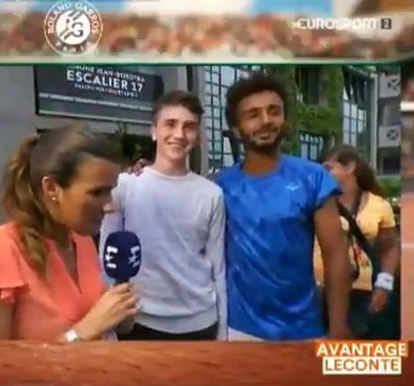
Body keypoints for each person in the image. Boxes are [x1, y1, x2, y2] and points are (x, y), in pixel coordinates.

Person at [0, 126, 139, 341]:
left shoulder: (81, 241)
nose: (109, 206)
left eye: (111, 191)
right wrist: (81, 333)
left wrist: (117, 314)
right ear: (52, 187)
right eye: (97, 193)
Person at [215, 73, 352, 341]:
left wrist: (337, 328)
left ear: (285, 119)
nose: (266, 120)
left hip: (303, 330)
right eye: (253, 115)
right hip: (238, 331)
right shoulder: (220, 187)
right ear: (235, 128)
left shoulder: (313, 178)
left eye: (273, 111)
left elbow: (336, 257)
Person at [100, 91, 226, 341]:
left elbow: (218, 267)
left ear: (198, 137)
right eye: (170, 124)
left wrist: (222, 334)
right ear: (154, 130)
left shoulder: (212, 194)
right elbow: (106, 258)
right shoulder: (124, 187)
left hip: (200, 323)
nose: (179, 134)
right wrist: (109, 326)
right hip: (139, 321)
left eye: (189, 127)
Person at [315, 145, 401, 339]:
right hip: (318, 290)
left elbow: (390, 248)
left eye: (328, 168)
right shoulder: (317, 201)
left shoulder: (379, 205)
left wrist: (384, 284)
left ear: (350, 167)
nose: (322, 173)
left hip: (360, 292)